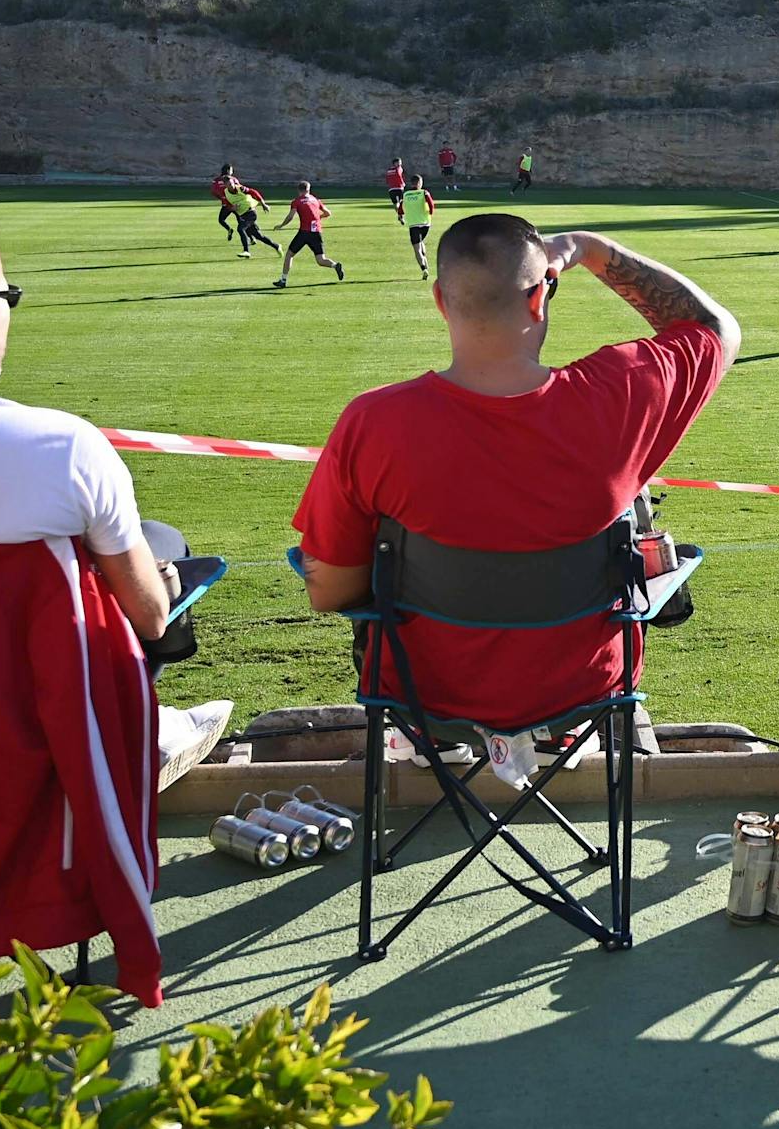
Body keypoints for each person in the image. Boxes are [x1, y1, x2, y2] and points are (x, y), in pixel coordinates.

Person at [292, 213, 739, 730]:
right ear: (538, 298)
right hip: (585, 692)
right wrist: (589, 249)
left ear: (440, 300)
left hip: (423, 694)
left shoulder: (372, 422)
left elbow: (330, 592)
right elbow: (715, 329)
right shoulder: (623, 392)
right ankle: (559, 741)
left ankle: (428, 744)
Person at [0, 214, 232, 1005]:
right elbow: (150, 618)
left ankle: (162, 731)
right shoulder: (61, 449)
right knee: (146, 570)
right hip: (33, 748)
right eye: (6, 292)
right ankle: (159, 737)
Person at [272, 180, 345, 288]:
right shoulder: (316, 200)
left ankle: (283, 280)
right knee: (321, 260)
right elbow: (328, 213)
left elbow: (290, 217)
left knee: (289, 254)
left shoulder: (296, 201)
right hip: (316, 232)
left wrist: (281, 225)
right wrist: (318, 217)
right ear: (308, 189)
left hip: (304, 232)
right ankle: (335, 265)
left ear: (298, 190)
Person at [224, 178, 280, 259]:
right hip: (243, 216)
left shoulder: (241, 188)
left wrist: (263, 204)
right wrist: (232, 208)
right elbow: (227, 205)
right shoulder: (226, 193)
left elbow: (254, 192)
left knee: (240, 229)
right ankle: (276, 246)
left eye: (232, 183)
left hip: (251, 213)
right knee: (259, 236)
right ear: (225, 185)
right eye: (229, 184)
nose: (232, 185)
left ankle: (246, 251)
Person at [403, 173, 438, 280]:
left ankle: (424, 269)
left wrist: (401, 215)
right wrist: (430, 213)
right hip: (425, 223)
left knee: (417, 249)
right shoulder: (424, 193)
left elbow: (400, 209)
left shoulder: (406, 195)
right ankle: (425, 261)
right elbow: (431, 204)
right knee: (421, 241)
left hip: (413, 224)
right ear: (419, 183)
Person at [209, 166, 238, 243]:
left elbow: (213, 191)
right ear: (228, 170)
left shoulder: (216, 180)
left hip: (226, 205)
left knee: (221, 220)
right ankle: (252, 238)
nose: (232, 171)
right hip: (235, 204)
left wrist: (222, 198)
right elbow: (239, 189)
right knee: (242, 221)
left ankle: (229, 229)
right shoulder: (233, 179)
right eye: (232, 170)